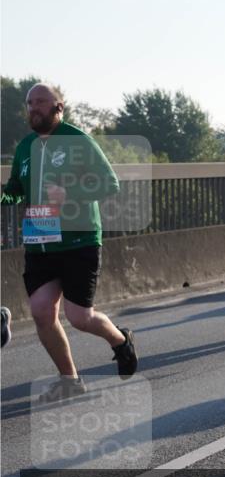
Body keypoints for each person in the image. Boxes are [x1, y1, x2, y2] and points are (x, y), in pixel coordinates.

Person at [1, 84, 138, 401]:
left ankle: (120, 340)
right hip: (40, 242)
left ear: (58, 108)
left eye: (41, 102)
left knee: (79, 317)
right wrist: (3, 194)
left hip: (79, 240)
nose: (33, 108)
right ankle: (69, 380)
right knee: (41, 312)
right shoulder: (24, 147)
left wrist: (71, 194)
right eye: (29, 103)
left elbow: (109, 183)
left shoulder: (78, 140)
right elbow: (15, 190)